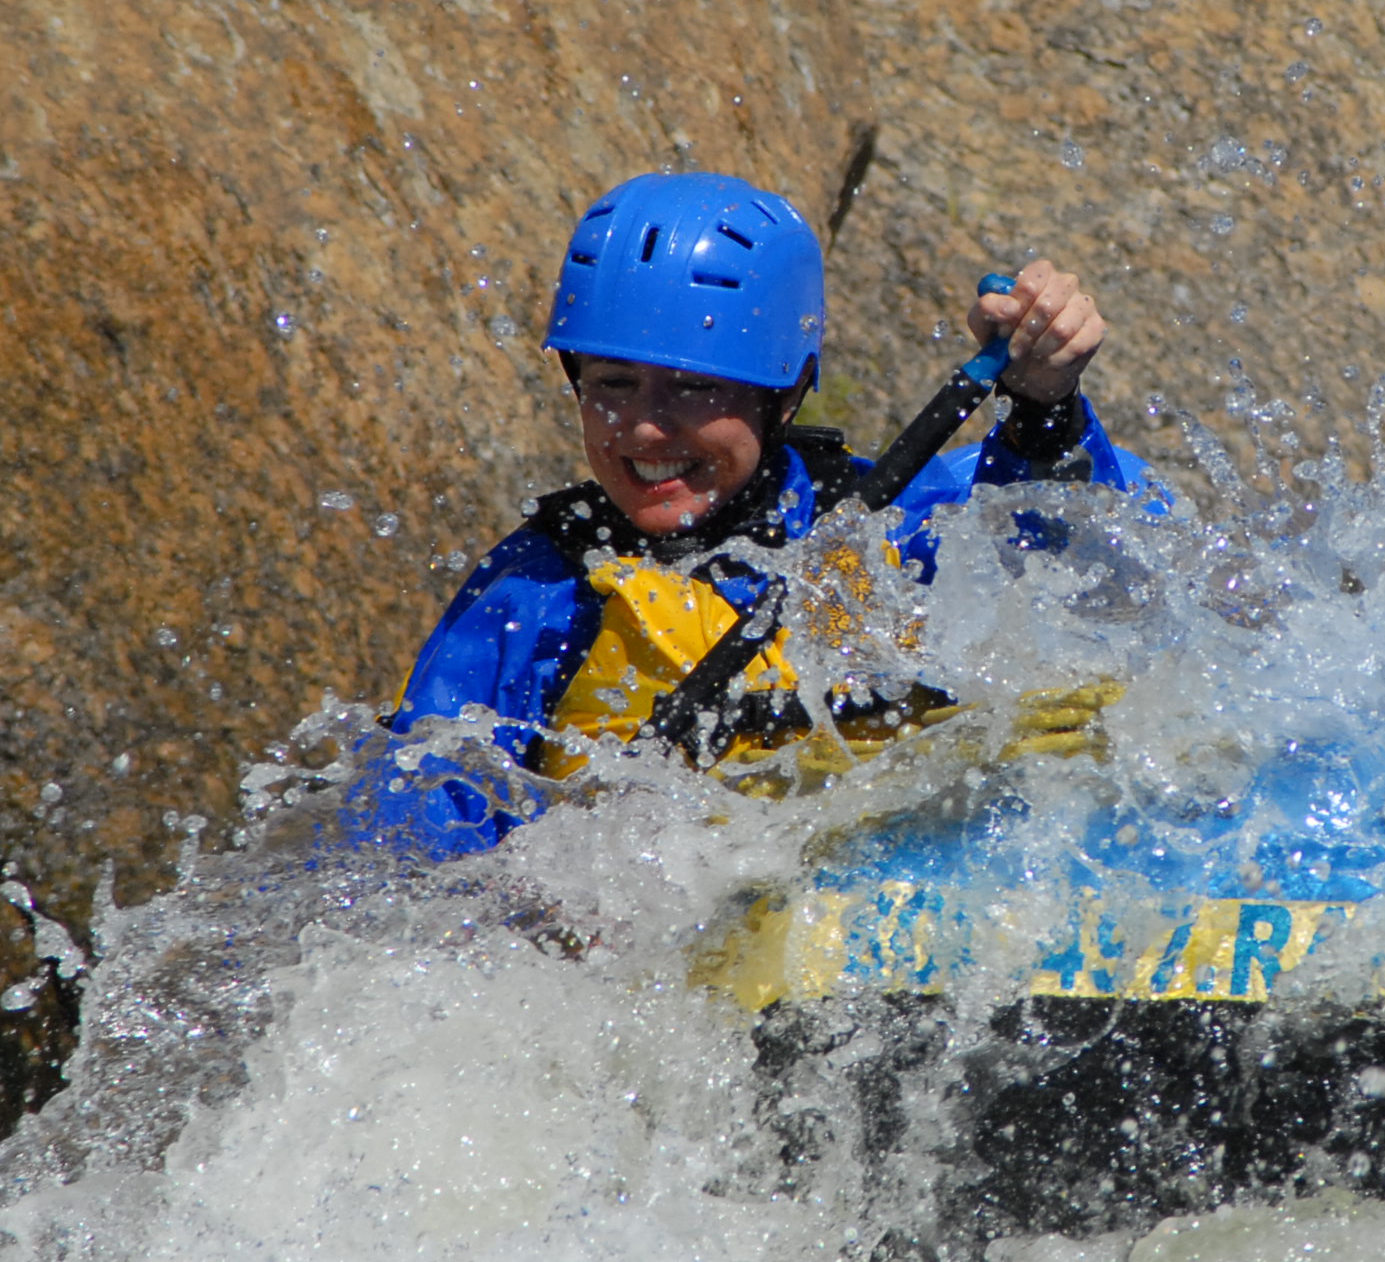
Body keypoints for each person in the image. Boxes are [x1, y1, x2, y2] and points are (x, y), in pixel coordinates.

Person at [352, 170, 1145, 855]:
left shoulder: (892, 523)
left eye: (695, 387)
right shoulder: (538, 595)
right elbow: (414, 851)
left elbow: (1077, 570)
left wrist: (1047, 404)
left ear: (784, 394)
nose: (646, 429)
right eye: (612, 385)